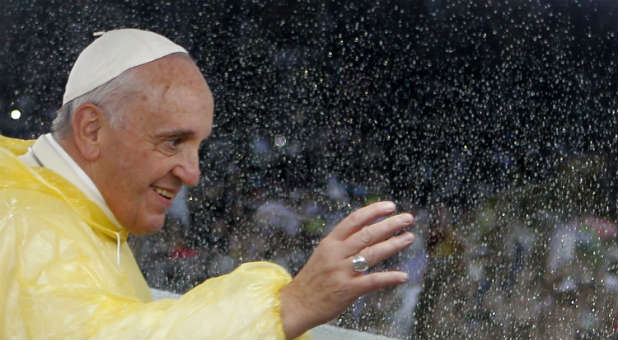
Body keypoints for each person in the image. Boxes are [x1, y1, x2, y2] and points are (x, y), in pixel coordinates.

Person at [0, 28, 415, 339]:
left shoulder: (57, 202)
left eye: (198, 145)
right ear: (92, 129)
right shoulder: (29, 224)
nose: (193, 173)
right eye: (173, 141)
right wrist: (290, 305)